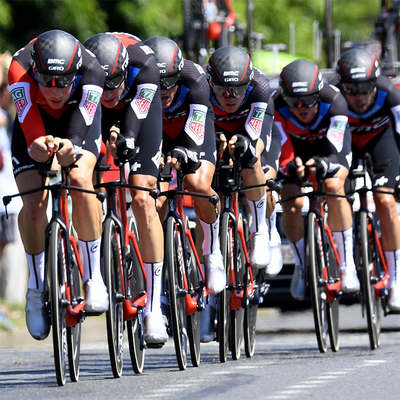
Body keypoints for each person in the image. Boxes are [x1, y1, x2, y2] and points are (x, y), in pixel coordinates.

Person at [8, 29, 108, 340]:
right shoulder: (18, 67)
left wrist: (71, 147)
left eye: (64, 81)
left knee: (79, 178)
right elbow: (32, 130)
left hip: (78, 123)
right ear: (34, 70)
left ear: (76, 72)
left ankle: (93, 277)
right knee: (34, 203)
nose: (55, 90)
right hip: (34, 123)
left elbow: (81, 127)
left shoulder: (92, 69)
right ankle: (36, 289)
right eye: (46, 81)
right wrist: (39, 146)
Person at [83, 32, 167, 345]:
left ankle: (155, 308)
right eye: (102, 85)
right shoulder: (84, 71)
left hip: (141, 109)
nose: (108, 91)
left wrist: (127, 136)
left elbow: (140, 111)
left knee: (143, 196)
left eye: (114, 82)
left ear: (124, 71)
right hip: (95, 112)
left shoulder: (144, 63)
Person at [143, 36, 226, 342]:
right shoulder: (139, 85)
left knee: (196, 183)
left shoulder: (196, 80)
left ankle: (211, 252)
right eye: (158, 84)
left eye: (170, 83)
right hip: (156, 137)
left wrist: (183, 156)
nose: (163, 91)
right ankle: (158, 283)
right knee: (153, 198)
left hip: (193, 135)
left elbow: (197, 127)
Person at [275, 59, 359, 301]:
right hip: (296, 151)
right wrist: (289, 166)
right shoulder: (276, 104)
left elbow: (337, 146)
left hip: (329, 149)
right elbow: (281, 146)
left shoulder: (334, 99)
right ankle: (302, 265)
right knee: (290, 202)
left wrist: (327, 164)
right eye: (294, 101)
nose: (301, 107)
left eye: (309, 100)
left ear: (318, 93)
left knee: (333, 186)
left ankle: (347, 265)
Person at [206, 45, 282, 276]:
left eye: (238, 89)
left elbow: (257, 138)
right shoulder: (199, 86)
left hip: (251, 132)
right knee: (208, 188)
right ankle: (211, 254)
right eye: (222, 90)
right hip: (215, 132)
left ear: (248, 83)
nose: (230, 97)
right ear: (210, 82)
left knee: (251, 161)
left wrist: (246, 148)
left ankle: (263, 230)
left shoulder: (259, 87)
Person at [335, 48, 400, 311]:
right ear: (342, 85)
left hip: (381, 141)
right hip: (347, 144)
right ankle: (346, 262)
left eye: (366, 88)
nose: (360, 97)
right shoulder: (333, 96)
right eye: (352, 89)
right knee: (337, 194)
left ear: (376, 82)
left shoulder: (390, 93)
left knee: (385, 201)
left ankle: (396, 281)